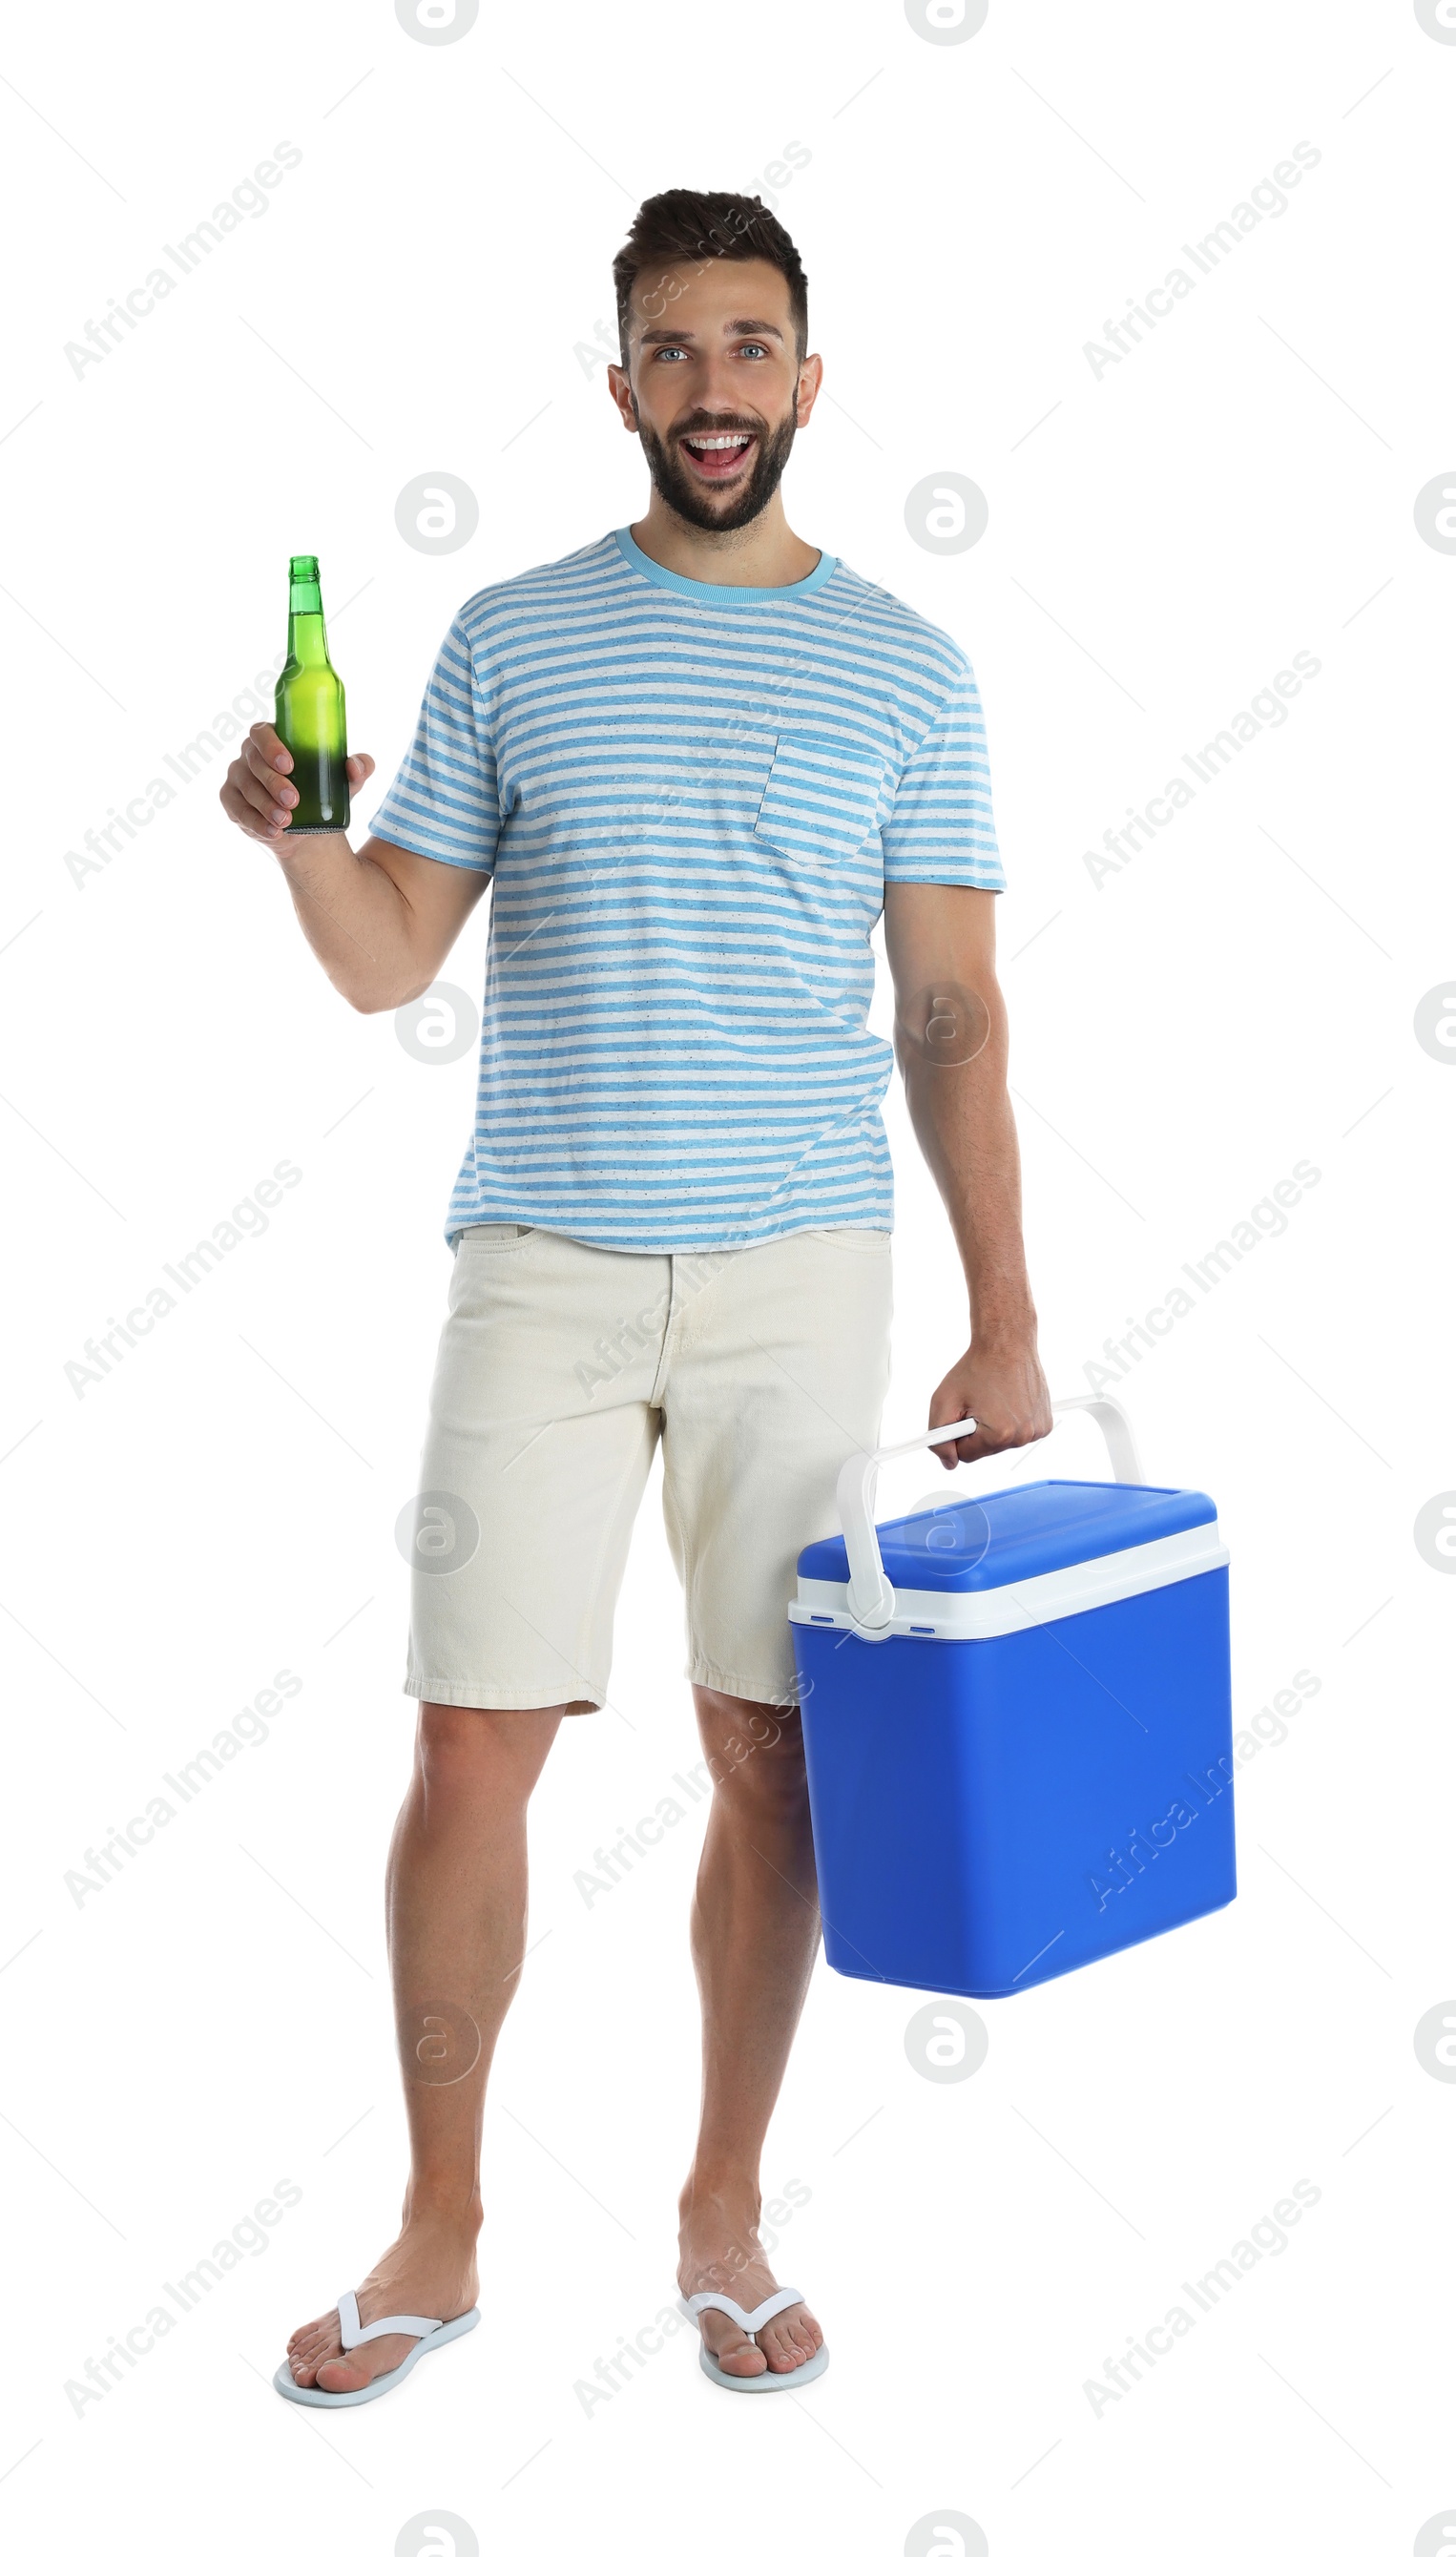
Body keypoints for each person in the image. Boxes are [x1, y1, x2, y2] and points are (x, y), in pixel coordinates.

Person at [220, 186, 1050, 2405]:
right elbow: (392, 956)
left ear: (807, 374)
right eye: (671, 350)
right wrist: (306, 837)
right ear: (618, 386)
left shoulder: (906, 667)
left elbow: (949, 1012)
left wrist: (1007, 1308)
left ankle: (720, 2201)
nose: (712, 387)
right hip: (544, 1258)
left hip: (804, 1271)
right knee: (469, 1737)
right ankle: (439, 2222)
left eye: (749, 346)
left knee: (771, 1755)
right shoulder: (509, 637)